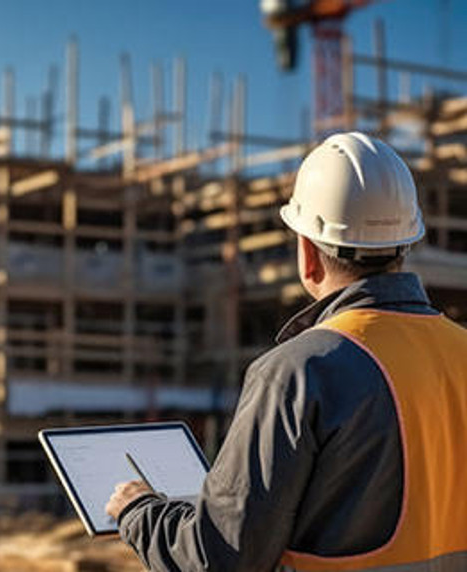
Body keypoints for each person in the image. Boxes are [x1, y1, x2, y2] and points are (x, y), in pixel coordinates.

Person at [105, 132, 467, 571]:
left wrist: (139, 512)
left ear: (307, 252)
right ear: (405, 246)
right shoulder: (459, 349)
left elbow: (217, 558)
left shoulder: (300, 372)